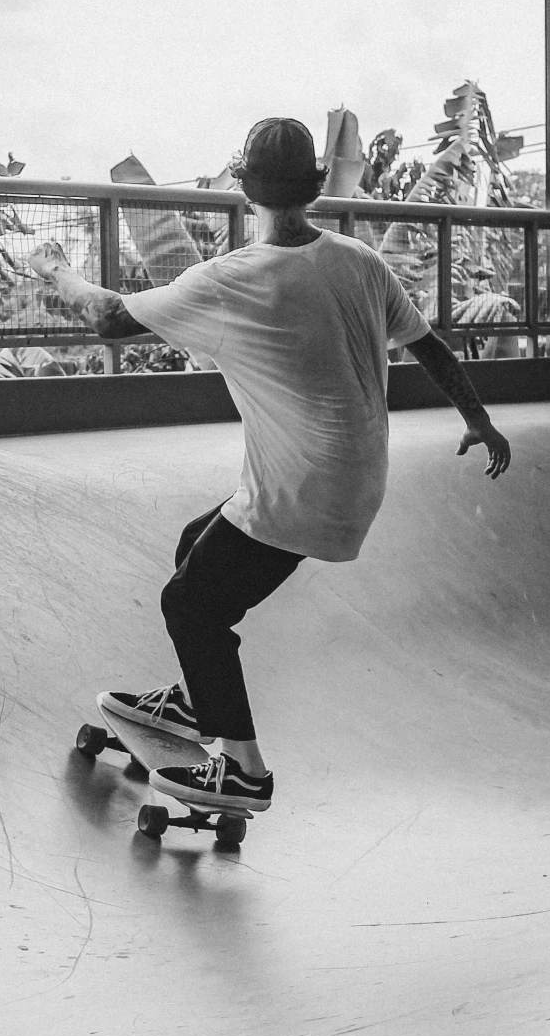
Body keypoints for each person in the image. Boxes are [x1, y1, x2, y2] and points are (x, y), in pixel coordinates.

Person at [28, 115, 512, 817]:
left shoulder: (233, 278)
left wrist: (55, 269)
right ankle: (197, 703)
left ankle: (245, 771)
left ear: (241, 186)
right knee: (197, 545)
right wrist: (477, 417)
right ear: (315, 188)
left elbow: (108, 319)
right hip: (352, 475)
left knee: (187, 604)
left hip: (303, 490)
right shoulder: (359, 259)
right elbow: (427, 344)